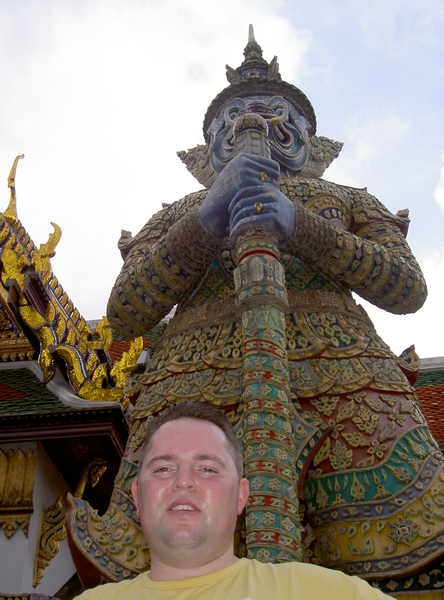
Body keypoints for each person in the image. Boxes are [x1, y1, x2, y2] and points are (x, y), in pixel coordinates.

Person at [67, 28, 444, 593]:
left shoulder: (347, 199)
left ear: (311, 139)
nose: (257, 123)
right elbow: (126, 312)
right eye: (236, 116)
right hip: (192, 388)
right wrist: (207, 220)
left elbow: (407, 289)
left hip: (347, 383)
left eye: (277, 113)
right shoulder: (180, 211)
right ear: (209, 145)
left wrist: (302, 224)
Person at [74, 401, 392, 599]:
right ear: (137, 497)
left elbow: (408, 294)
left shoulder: (326, 593)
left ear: (241, 496)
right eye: (164, 468)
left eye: (208, 468)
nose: (183, 481)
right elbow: (125, 314)